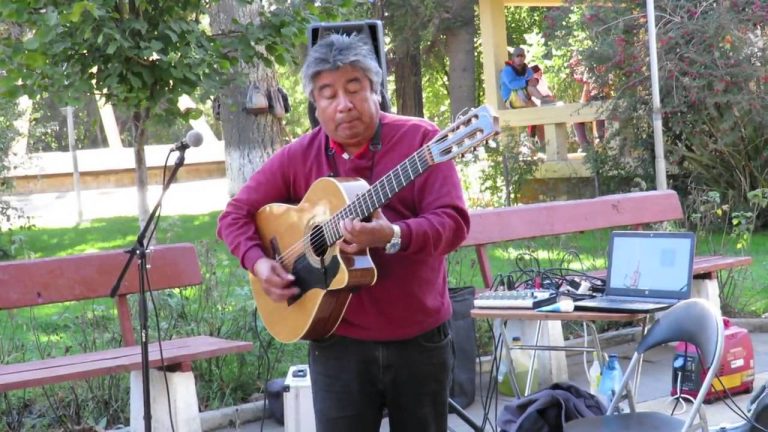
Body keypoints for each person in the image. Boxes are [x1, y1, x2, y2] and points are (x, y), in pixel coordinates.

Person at [217, 33, 470, 432]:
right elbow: (234, 216)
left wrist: (393, 235)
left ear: (376, 91)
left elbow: (453, 224)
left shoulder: (422, 141)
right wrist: (260, 263)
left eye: (355, 88)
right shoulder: (298, 156)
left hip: (418, 339)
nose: (343, 104)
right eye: (328, 94)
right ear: (315, 105)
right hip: (337, 341)